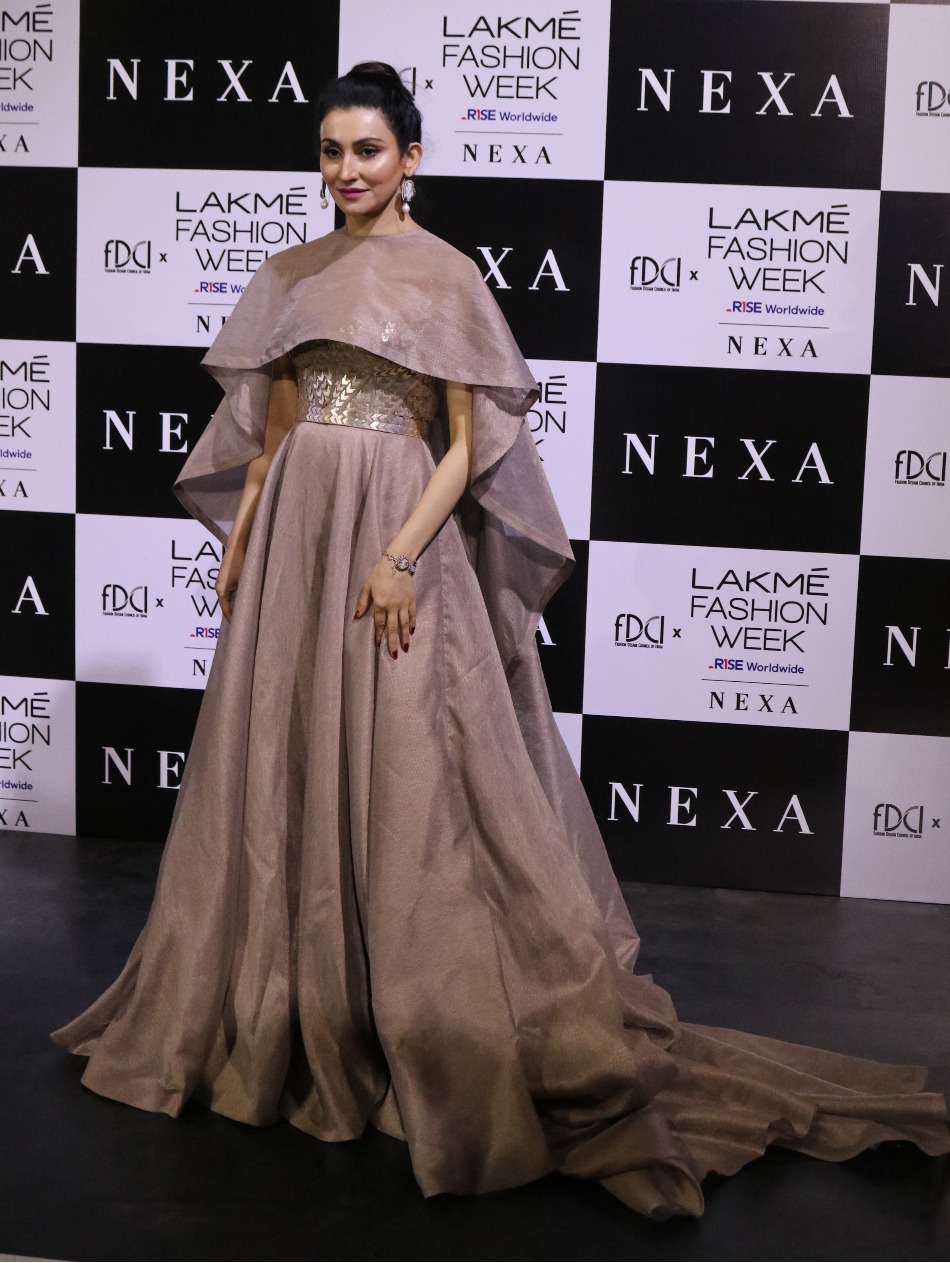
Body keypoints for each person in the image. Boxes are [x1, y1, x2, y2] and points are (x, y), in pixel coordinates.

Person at [53, 62, 950, 1220]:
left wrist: (399, 557)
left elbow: (467, 446)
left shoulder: (445, 275)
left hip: (388, 530)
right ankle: (294, 992)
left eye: (367, 150)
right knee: (282, 752)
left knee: (404, 769)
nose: (346, 170)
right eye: (329, 151)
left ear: (409, 158)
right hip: (294, 543)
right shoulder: (293, 272)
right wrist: (242, 539)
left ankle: (404, 1000)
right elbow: (275, 425)